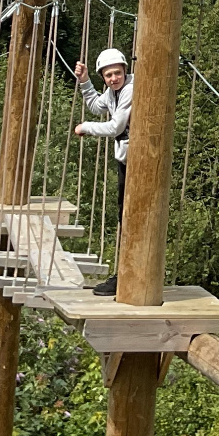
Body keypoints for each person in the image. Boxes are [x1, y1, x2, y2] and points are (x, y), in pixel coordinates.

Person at [73, 47, 132, 296]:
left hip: (138, 164)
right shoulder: (113, 92)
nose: (113, 79)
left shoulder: (130, 89)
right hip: (127, 162)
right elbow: (99, 106)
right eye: (108, 75)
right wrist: (85, 81)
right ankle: (126, 274)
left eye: (117, 73)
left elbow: (116, 127)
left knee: (130, 218)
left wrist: (86, 127)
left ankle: (127, 276)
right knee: (125, 217)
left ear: (124, 71)